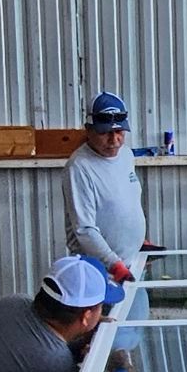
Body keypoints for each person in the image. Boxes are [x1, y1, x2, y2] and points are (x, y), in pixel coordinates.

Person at [64, 90, 148, 284]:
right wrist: (113, 264)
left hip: (132, 262)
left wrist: (137, 241)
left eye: (119, 132)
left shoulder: (126, 155)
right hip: (102, 272)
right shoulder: (79, 167)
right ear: (89, 130)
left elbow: (127, 202)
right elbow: (84, 228)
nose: (114, 140)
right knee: (109, 314)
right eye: (105, 133)